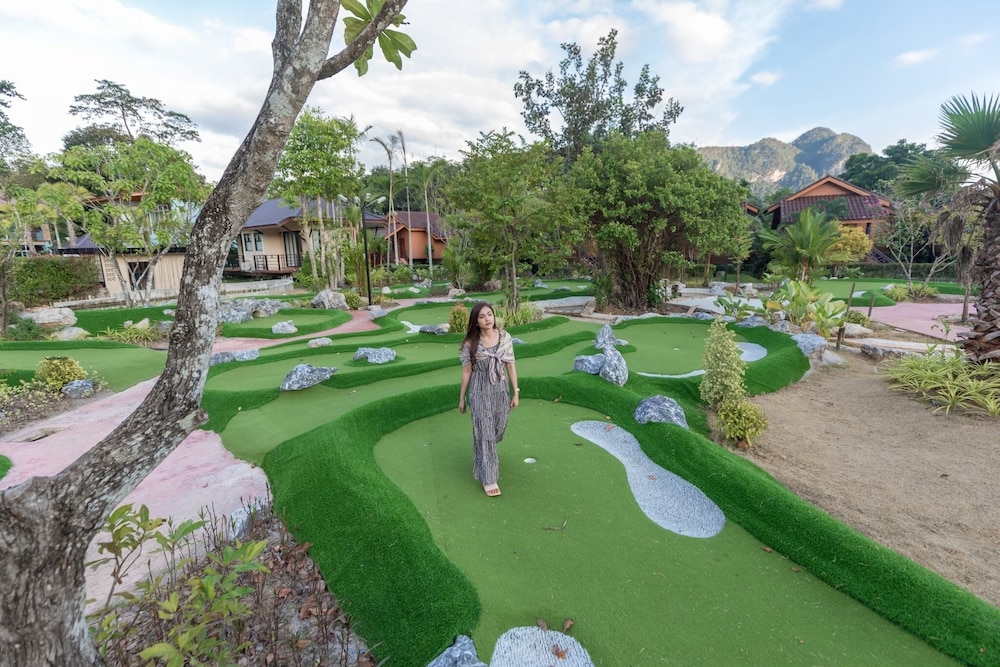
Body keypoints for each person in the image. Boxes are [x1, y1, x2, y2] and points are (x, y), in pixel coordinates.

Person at [458, 301, 519, 497]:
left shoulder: (505, 338)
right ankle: (489, 478)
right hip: (479, 391)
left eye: (489, 314)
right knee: (485, 434)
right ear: (476, 321)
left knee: (497, 429)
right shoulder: (470, 344)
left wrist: (516, 392)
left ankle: (486, 452)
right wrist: (462, 398)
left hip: (500, 389)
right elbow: (466, 372)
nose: (487, 319)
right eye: (482, 316)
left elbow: (510, 365)